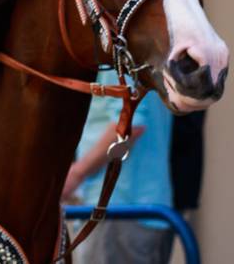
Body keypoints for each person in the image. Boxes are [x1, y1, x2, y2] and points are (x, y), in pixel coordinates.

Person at [63, 72, 176, 263]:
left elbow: (129, 125)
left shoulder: (114, 57)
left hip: (117, 210)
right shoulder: (147, 56)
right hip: (147, 210)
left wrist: (76, 173)